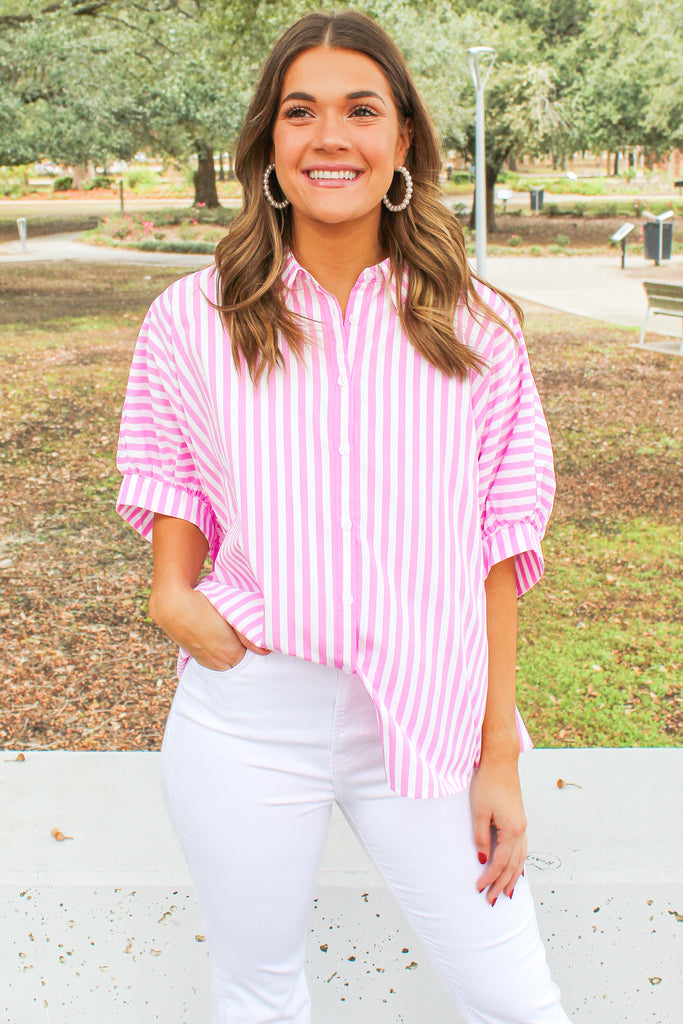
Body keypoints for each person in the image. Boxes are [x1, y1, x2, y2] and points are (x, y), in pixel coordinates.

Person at [116, 10, 570, 1024]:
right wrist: (170, 595)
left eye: (361, 110)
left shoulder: (478, 328)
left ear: (400, 139)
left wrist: (496, 755)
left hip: (427, 716)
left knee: (513, 998)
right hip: (247, 712)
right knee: (259, 995)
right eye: (300, 112)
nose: (331, 137)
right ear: (268, 146)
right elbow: (171, 468)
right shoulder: (195, 318)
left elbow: (501, 543)